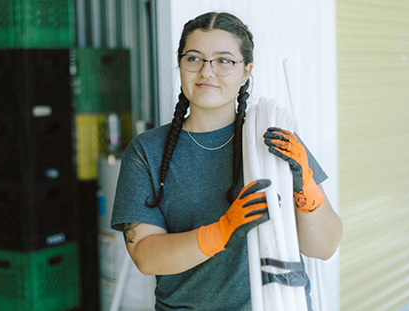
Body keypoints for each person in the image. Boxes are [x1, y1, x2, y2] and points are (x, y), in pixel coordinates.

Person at [111, 11, 342, 311]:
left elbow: (324, 247)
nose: (207, 72)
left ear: (246, 71)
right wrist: (221, 232)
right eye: (194, 58)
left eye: (224, 60)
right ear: (180, 64)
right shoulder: (147, 152)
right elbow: (145, 255)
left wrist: (306, 187)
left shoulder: (273, 138)